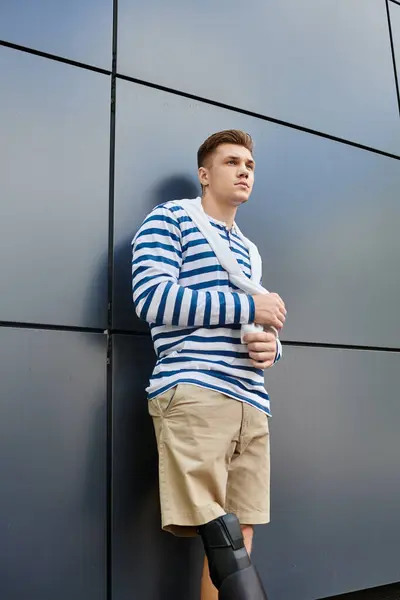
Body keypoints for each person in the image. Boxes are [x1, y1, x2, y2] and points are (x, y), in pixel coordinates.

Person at [131, 130, 286, 599]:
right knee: (223, 537)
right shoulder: (170, 220)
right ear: (204, 173)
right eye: (232, 162)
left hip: (251, 402)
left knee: (241, 536)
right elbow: (152, 298)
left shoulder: (247, 250)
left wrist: (272, 349)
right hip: (197, 389)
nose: (244, 171)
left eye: (251, 166)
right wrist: (248, 310)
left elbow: (258, 331)